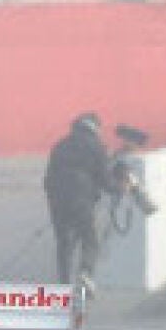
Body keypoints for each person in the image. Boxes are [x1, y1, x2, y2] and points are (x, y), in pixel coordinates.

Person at [43, 112, 116, 283]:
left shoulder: (60, 145)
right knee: (90, 239)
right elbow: (105, 181)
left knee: (64, 243)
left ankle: (64, 282)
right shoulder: (97, 146)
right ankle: (85, 273)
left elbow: (48, 177)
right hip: (82, 200)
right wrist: (120, 188)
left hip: (57, 200)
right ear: (95, 128)